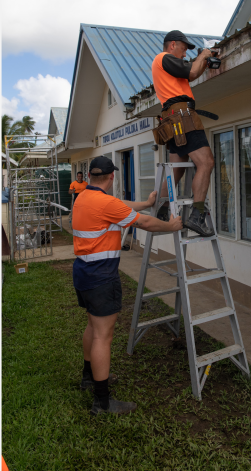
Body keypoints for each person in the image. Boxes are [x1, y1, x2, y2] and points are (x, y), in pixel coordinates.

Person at [73, 156, 183, 415]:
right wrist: (172, 226)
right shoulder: (105, 202)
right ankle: (102, 402)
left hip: (83, 273)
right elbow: (143, 222)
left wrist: (146, 202)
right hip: (101, 276)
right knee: (103, 335)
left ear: (89, 177)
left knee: (93, 326)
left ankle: (88, 377)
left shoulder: (84, 199)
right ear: (112, 178)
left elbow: (118, 205)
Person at [152, 30, 216, 237]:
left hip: (172, 121)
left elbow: (192, 71)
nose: (185, 54)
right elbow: (192, 72)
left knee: (177, 170)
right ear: (172, 45)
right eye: (183, 48)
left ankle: (161, 210)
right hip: (183, 118)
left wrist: (205, 61)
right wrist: (205, 54)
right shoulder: (163, 58)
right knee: (206, 162)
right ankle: (197, 216)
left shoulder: (168, 68)